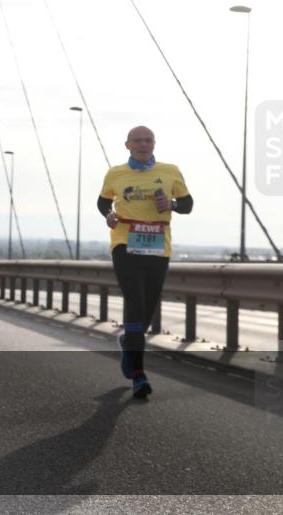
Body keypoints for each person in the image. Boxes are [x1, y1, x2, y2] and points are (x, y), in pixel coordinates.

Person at [98, 125, 192, 399]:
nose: (143, 144)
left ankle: (129, 340)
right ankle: (139, 375)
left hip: (157, 247)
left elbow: (187, 205)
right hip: (125, 244)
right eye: (137, 141)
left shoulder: (170, 171)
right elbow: (102, 202)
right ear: (127, 145)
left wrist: (171, 205)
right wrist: (109, 215)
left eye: (148, 140)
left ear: (154, 143)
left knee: (149, 305)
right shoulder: (115, 173)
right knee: (135, 301)